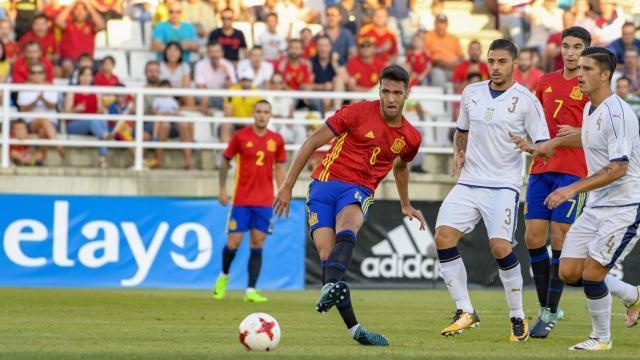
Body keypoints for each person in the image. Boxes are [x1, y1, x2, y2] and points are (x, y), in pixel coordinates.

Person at [273, 65, 424, 346]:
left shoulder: (411, 136)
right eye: (386, 91)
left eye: (397, 93)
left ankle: (331, 287)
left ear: (407, 94)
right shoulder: (355, 112)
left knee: (349, 225)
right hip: (323, 184)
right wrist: (287, 185)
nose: (391, 99)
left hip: (359, 189)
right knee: (327, 255)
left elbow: (401, 167)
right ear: (379, 89)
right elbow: (311, 142)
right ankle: (355, 329)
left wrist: (405, 204)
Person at [523, 46, 640, 351]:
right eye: (579, 69)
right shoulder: (591, 108)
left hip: (624, 207)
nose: (579, 75)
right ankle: (633, 295)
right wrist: (553, 143)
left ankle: (601, 338)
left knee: (591, 275)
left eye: (587, 69)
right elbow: (587, 136)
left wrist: (572, 188)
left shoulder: (617, 114)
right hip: (598, 204)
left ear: (605, 75)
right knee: (568, 271)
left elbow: (618, 168)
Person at [435, 39, 550, 342]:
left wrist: (531, 148)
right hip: (469, 180)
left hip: (502, 185)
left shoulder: (526, 100)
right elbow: (462, 130)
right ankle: (465, 311)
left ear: (514, 63)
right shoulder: (471, 92)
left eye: (502, 61)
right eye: (491, 61)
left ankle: (518, 317)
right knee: (443, 237)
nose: (496, 67)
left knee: (501, 247)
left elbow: (545, 146)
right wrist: (459, 151)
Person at [518, 26, 591, 339]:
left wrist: (570, 138)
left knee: (560, 236)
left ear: (586, 50)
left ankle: (549, 311)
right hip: (540, 166)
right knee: (533, 238)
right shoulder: (545, 82)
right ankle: (548, 305)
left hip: (573, 170)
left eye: (577, 47)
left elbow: (596, 134)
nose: (571, 52)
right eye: (566, 46)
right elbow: (534, 119)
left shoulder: (591, 84)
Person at [212, 100, 286, 303]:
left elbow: (279, 168)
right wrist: (222, 188)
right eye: (259, 112)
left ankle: (251, 290)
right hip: (241, 200)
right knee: (233, 243)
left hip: (264, 201)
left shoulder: (277, 140)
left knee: (257, 242)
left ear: (270, 115)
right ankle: (224, 276)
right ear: (253, 114)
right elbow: (225, 161)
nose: (262, 115)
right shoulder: (240, 136)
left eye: (266, 112)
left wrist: (283, 191)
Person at [64, 66, 111, 168]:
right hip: (74, 125)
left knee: (101, 122)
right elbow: (65, 114)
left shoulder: (96, 93)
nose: (86, 78)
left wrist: (103, 109)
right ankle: (104, 137)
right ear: (79, 77)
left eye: (88, 75)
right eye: (83, 75)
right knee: (93, 121)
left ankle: (103, 159)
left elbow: (100, 112)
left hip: (92, 126)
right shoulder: (72, 92)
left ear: (91, 78)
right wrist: (76, 109)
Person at [17, 62, 62, 162]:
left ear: (44, 74)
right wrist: (37, 99)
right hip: (30, 123)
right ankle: (58, 145)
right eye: (33, 72)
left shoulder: (50, 87)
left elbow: (52, 105)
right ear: (29, 75)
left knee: (43, 131)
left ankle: (41, 160)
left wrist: (42, 98)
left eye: (40, 72)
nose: (37, 75)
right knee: (42, 119)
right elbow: (23, 109)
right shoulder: (24, 88)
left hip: (51, 124)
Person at [152, 79, 196, 170]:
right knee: (164, 125)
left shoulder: (173, 101)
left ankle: (188, 162)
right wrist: (163, 114)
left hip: (174, 122)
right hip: (162, 123)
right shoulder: (157, 100)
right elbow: (154, 111)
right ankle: (157, 162)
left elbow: (177, 111)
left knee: (184, 124)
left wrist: (172, 114)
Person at [56, 0, 105, 78]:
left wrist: (88, 6)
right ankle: (70, 85)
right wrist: (72, 4)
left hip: (87, 61)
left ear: (87, 12)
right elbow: (58, 21)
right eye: (77, 9)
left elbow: (102, 25)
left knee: (104, 65)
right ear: (73, 11)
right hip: (69, 61)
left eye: (83, 9)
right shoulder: (68, 24)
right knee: (66, 65)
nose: (80, 12)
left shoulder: (90, 25)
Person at [424, 14, 464, 88]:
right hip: (437, 67)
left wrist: (455, 64)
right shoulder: (428, 36)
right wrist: (442, 63)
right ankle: (441, 99)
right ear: (435, 24)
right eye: (439, 24)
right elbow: (426, 58)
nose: (441, 26)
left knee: (469, 75)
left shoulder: (454, 38)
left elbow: (461, 57)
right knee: (438, 75)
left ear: (447, 25)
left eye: (443, 24)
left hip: (453, 68)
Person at [194, 42, 235, 112]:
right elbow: (200, 87)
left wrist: (226, 72)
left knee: (230, 100)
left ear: (222, 53)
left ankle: (226, 122)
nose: (214, 54)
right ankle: (205, 121)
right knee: (203, 98)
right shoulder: (200, 64)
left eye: (216, 51)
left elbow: (232, 88)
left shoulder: (228, 65)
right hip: (206, 94)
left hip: (223, 95)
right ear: (207, 53)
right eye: (211, 52)